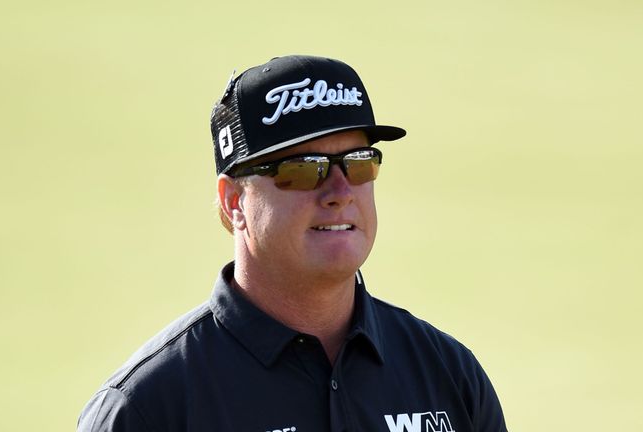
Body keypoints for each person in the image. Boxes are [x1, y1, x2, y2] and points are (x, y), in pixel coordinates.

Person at [78, 55, 508, 432]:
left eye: (358, 164)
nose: (339, 190)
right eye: (304, 169)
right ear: (235, 201)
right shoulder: (148, 407)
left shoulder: (449, 373)